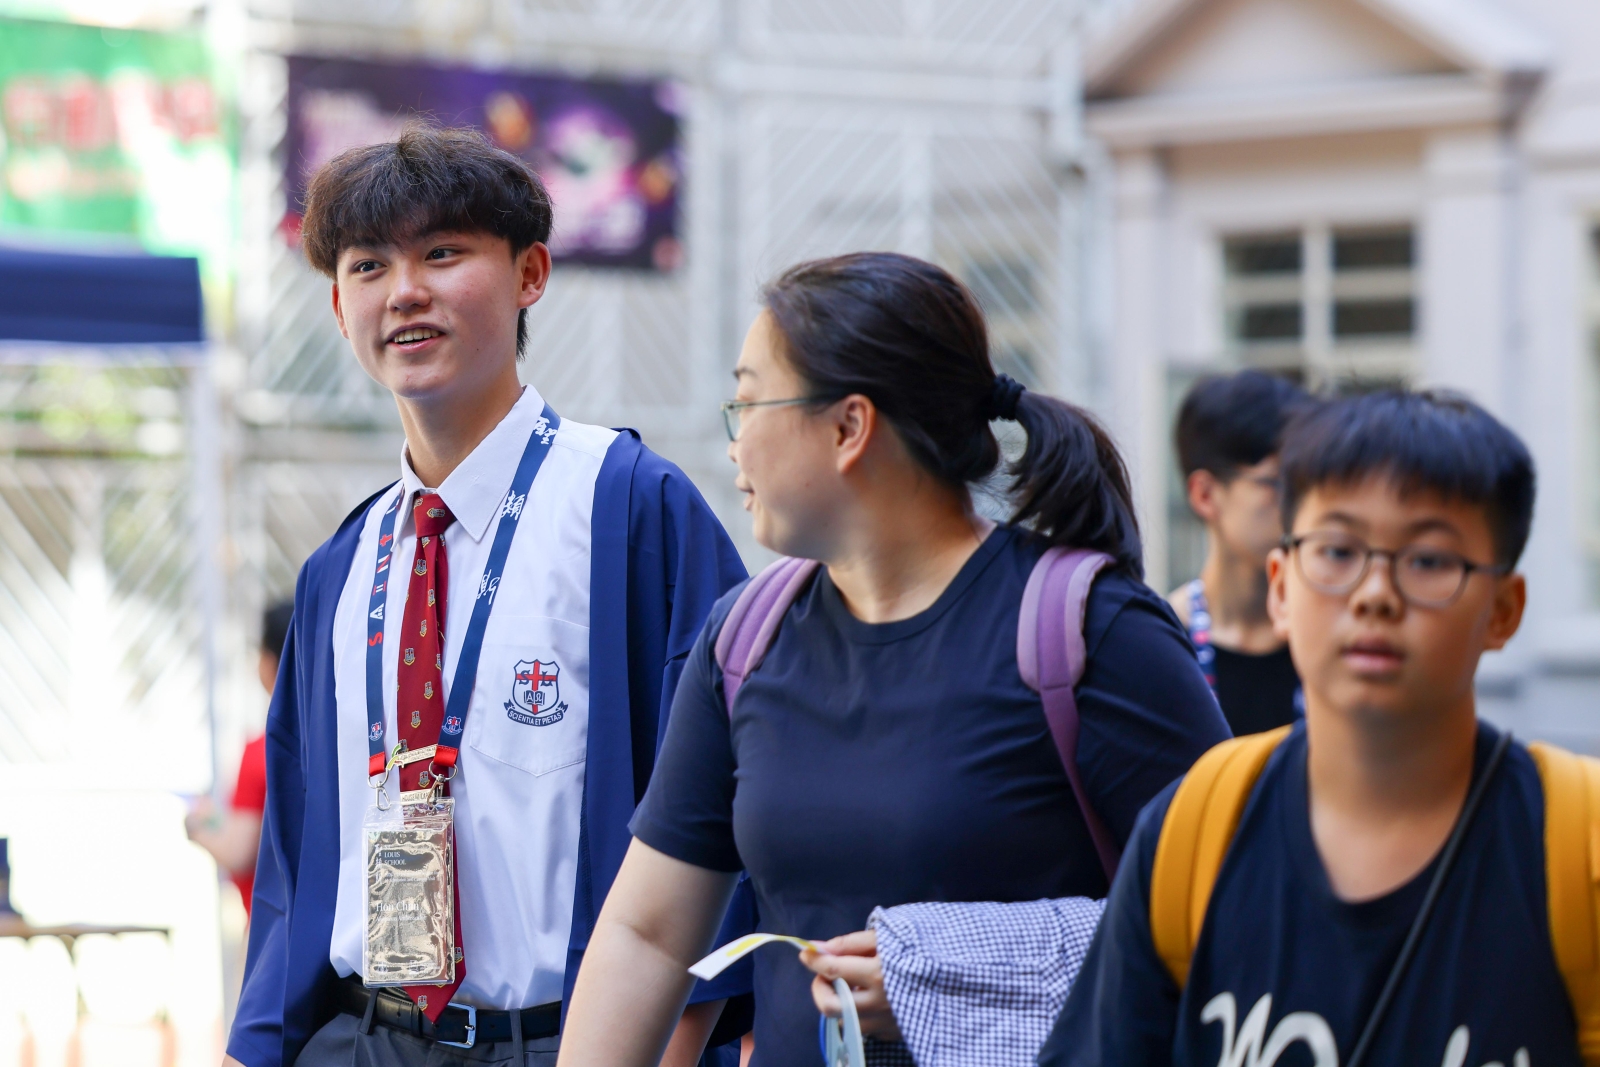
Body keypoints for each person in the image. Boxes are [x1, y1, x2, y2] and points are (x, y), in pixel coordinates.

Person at [555, 252, 1231, 1067]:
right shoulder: (744, 639)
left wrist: (959, 974)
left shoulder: (1090, 633)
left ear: (849, 427)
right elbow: (648, 934)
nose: (734, 442)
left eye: (748, 401)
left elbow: (1235, 910)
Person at [224, 125, 752, 1067]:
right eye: (368, 265)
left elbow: (722, 814)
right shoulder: (340, 568)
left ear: (530, 273)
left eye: (442, 253)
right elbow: (291, 868)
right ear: (340, 307)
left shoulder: (630, 508)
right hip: (360, 1038)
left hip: (556, 1042)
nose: (404, 290)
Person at [1040, 390, 1586, 1064]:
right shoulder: (1194, 828)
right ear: (1281, 586)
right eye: (1337, 551)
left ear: (1503, 609)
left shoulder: (1579, 850)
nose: (1375, 594)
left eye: (1428, 560)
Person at [1168, 371, 1310, 735]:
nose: (1300, 506)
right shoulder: (1160, 645)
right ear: (1205, 495)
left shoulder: (1328, 636)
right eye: (1277, 483)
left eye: (1306, 484)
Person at [187, 600, 294, 917]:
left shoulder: (263, 752)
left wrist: (196, 827)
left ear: (268, 662)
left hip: (273, 923)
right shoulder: (334, 746)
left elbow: (240, 852)